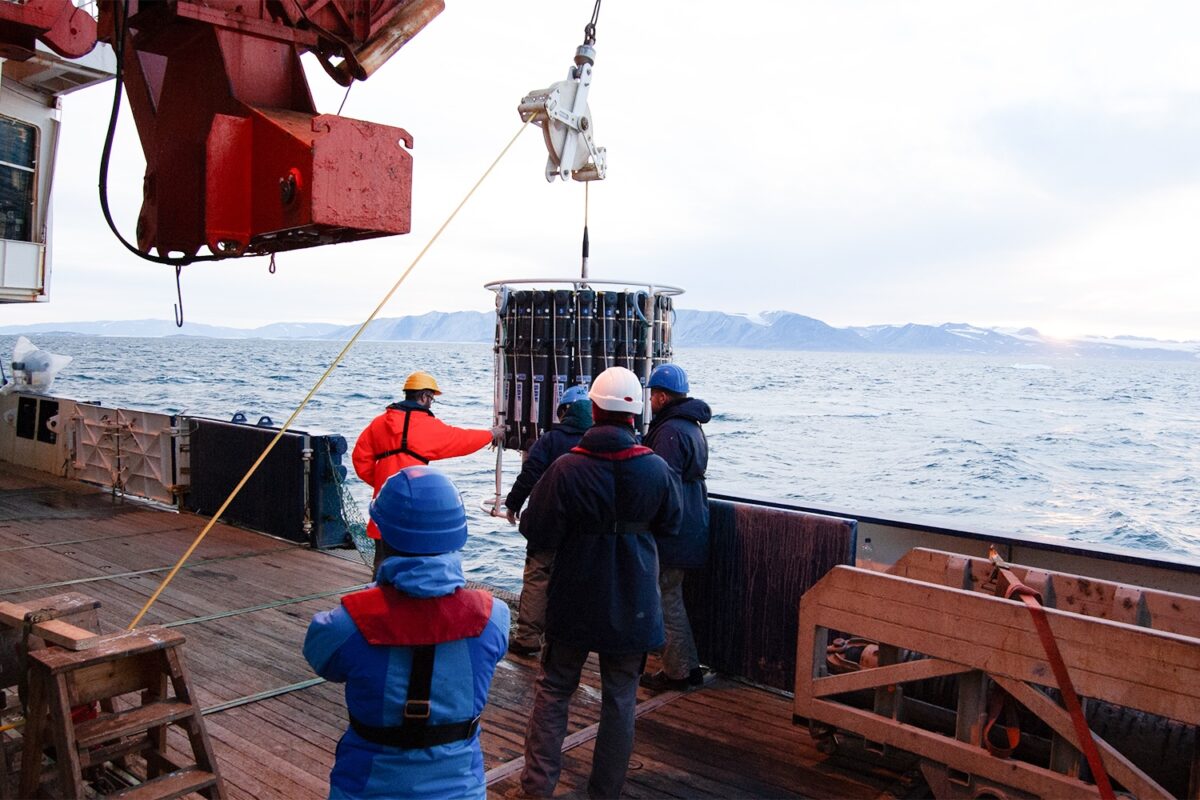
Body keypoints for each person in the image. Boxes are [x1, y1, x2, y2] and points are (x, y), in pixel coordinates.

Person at [517, 366, 682, 799]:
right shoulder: (657, 469)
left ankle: (536, 790)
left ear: (593, 408)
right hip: (634, 602)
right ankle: (604, 792)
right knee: (621, 699)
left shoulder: (566, 469)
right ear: (636, 414)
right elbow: (673, 525)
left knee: (554, 691)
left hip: (574, 598)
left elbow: (538, 530)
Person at [304, 466, 509, 800]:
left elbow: (320, 657)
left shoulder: (348, 623)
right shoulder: (493, 617)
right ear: (458, 536)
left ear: (383, 533)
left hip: (366, 787)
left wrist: (375, 593)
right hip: (460, 789)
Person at [353, 370, 503, 574]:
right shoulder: (428, 426)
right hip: (414, 504)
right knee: (412, 557)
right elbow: (460, 439)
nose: (431, 403)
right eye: (432, 398)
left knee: (382, 556)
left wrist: (381, 482)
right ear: (424, 396)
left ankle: (378, 596)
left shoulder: (379, 422)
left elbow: (360, 458)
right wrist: (491, 434)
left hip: (384, 500)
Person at [503, 384, 593, 656]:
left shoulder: (550, 440)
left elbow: (530, 473)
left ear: (565, 411)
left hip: (547, 524)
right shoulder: (597, 439)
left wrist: (512, 504)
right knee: (576, 581)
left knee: (538, 577)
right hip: (585, 528)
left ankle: (528, 638)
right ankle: (568, 640)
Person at [639, 363, 713, 691]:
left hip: (675, 528)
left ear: (663, 396)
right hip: (694, 521)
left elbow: (661, 482)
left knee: (667, 598)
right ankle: (690, 667)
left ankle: (678, 673)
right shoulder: (692, 428)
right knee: (673, 596)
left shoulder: (669, 432)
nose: (650, 401)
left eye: (653, 395)